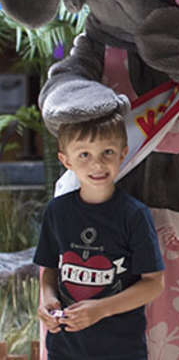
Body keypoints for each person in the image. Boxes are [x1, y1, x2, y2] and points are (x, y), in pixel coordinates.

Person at [33, 112, 165, 360]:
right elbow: (49, 270)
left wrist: (100, 310)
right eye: (84, 154)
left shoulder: (134, 215)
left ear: (123, 154)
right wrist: (48, 301)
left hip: (121, 350)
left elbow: (153, 284)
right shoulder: (56, 212)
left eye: (108, 152)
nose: (98, 164)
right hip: (64, 349)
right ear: (66, 160)